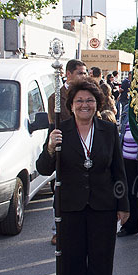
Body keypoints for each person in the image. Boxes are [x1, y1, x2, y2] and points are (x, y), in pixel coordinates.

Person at [37, 78, 129, 275]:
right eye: (79, 101)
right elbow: (43, 169)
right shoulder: (59, 131)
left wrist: (123, 205)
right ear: (71, 104)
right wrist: (49, 149)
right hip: (70, 206)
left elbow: (118, 171)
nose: (84, 105)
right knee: (72, 260)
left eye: (89, 100)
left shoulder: (108, 130)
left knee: (101, 259)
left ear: (97, 103)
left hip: (103, 204)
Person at [47, 59, 87, 245]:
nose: (84, 76)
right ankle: (58, 229)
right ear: (69, 74)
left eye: (85, 73)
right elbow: (57, 124)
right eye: (80, 73)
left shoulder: (89, 95)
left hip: (86, 149)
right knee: (61, 190)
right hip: (66, 149)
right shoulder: (56, 98)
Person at [117, 103, 138, 238]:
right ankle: (129, 226)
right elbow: (122, 130)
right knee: (130, 192)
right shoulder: (127, 108)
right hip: (126, 157)